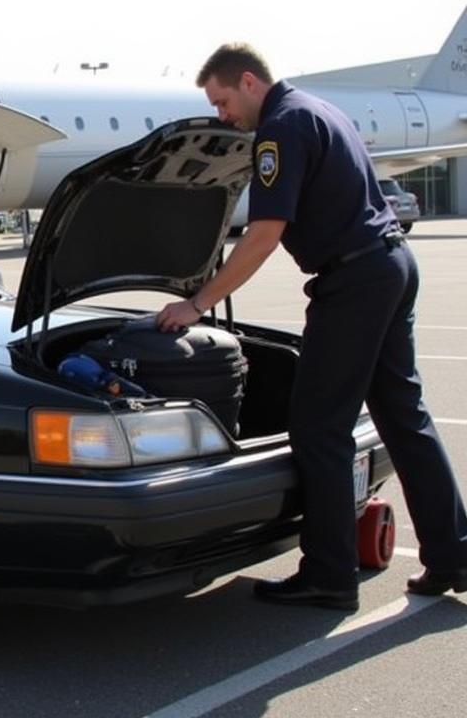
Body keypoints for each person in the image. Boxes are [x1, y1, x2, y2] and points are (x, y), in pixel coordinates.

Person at [155, 43, 467, 610]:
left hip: (354, 282)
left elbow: (265, 233)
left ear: (249, 82)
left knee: (319, 426)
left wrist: (197, 303)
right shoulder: (321, 110)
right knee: (404, 415)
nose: (223, 116)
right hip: (390, 263)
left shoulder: (281, 128)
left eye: (223, 102)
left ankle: (328, 574)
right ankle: (454, 554)